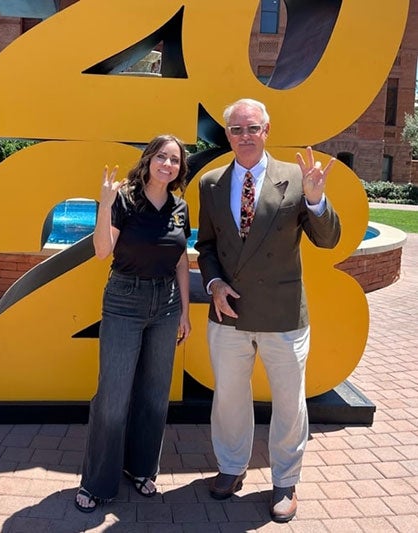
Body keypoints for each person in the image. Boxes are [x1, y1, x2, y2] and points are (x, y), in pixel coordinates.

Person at [195, 98, 341, 523]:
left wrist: (316, 201)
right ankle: (230, 467)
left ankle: (285, 481)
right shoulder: (211, 183)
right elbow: (205, 247)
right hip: (229, 313)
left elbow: (329, 239)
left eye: (252, 128)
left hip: (282, 315)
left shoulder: (297, 179)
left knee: (290, 403)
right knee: (229, 399)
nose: (245, 136)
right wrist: (213, 282)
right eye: (236, 129)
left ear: (267, 130)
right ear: (227, 135)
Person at [75, 134, 191, 512]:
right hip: (125, 300)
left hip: (167, 304)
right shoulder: (125, 198)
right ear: (148, 160)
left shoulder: (179, 206)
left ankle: (141, 470)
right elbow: (102, 252)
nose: (167, 165)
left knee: (156, 394)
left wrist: (186, 312)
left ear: (179, 169)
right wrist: (105, 206)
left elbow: (180, 262)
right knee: (112, 397)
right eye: (162, 157)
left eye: (174, 160)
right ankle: (97, 483)